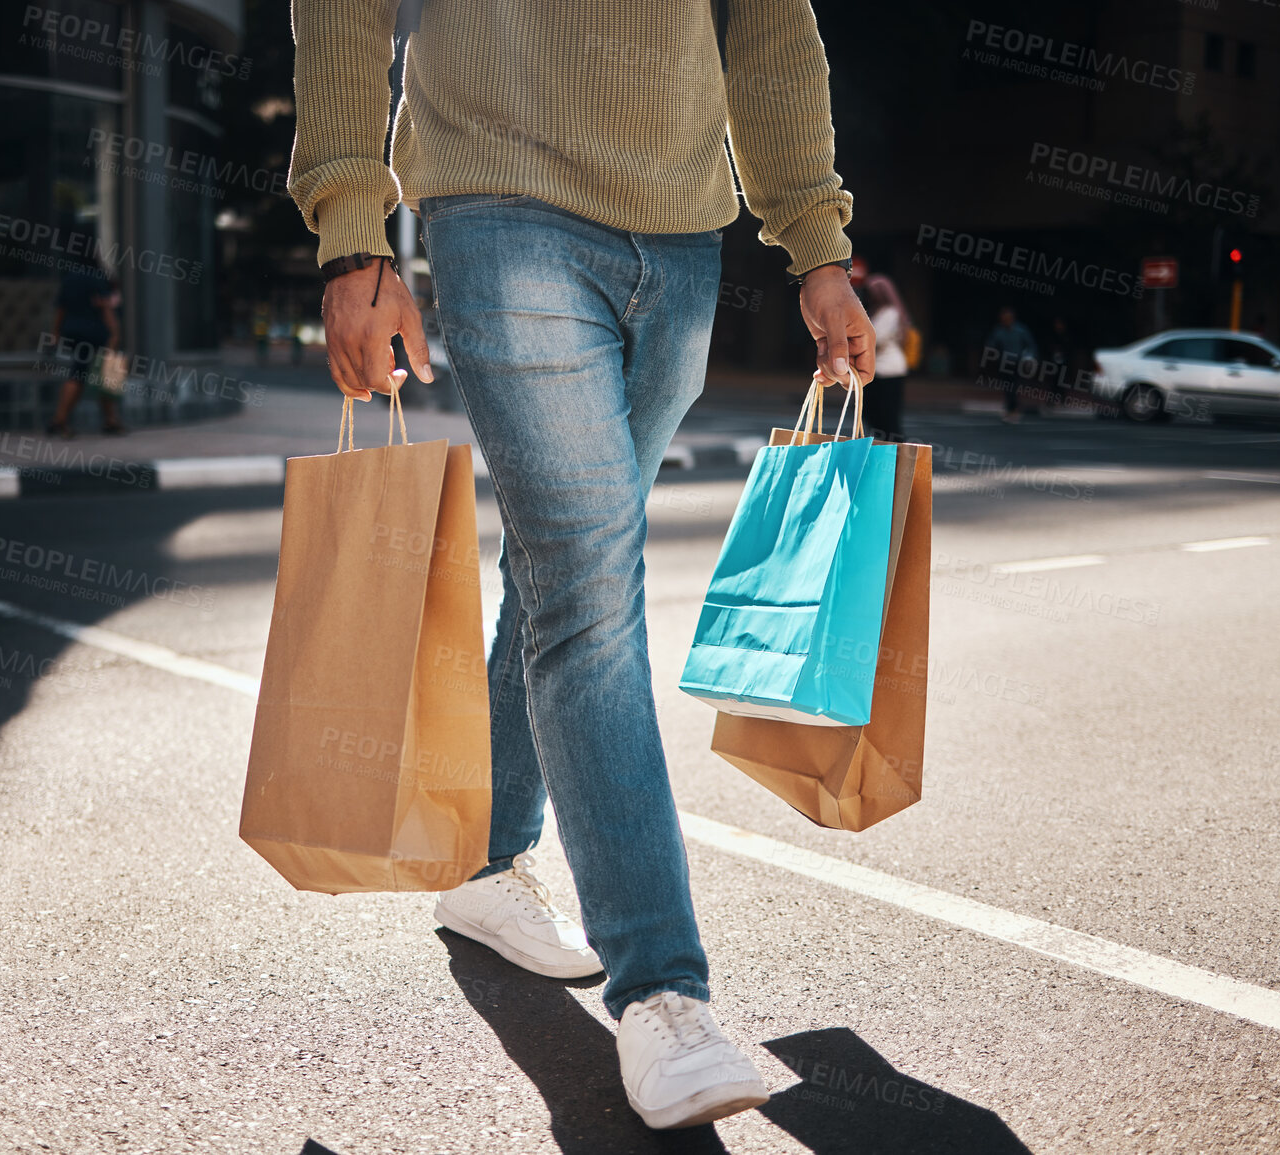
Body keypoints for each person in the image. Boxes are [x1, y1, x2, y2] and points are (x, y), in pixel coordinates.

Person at [289, 0, 875, 1131]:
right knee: (596, 592)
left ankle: (487, 864)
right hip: (500, 203)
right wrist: (356, 235)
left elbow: (769, 31)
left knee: (569, 573)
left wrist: (820, 245)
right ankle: (662, 990)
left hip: (682, 234)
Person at [47, 262, 122, 438]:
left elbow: (60, 309)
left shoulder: (69, 280)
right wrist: (115, 333)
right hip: (96, 334)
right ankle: (60, 420)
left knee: (87, 373)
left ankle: (110, 420)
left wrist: (56, 333)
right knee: (102, 376)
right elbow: (106, 309)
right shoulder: (98, 279)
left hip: (72, 332)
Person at [862, 274, 910, 440]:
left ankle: (897, 453)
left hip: (889, 370)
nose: (871, 295)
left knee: (888, 416)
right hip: (877, 370)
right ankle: (884, 448)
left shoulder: (891, 313)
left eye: (874, 291)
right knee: (870, 413)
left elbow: (877, 338)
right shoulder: (878, 312)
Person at [985, 305, 1037, 424]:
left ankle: (1014, 410)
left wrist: (1030, 357)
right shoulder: (999, 331)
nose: (1006, 320)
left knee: (1014, 387)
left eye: (1008, 318)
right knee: (1007, 387)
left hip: (1017, 363)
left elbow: (1030, 345)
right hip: (1003, 363)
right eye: (1004, 318)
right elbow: (991, 344)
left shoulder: (1021, 330)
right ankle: (1010, 409)